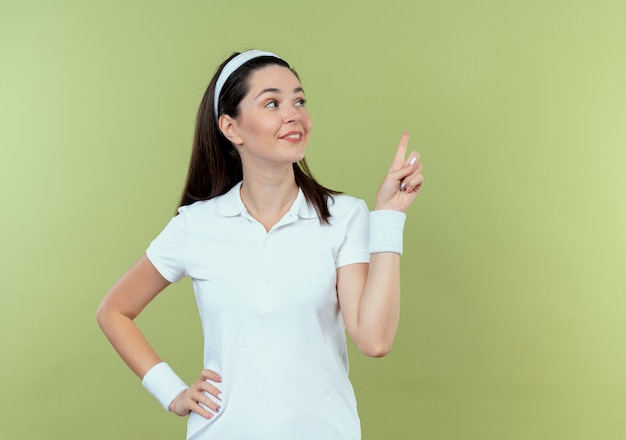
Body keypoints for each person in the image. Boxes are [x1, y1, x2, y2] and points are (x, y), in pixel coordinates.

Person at [97, 49, 424, 439]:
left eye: (299, 100)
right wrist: (172, 392)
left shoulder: (344, 216)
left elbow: (375, 340)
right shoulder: (196, 226)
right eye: (272, 102)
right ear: (231, 128)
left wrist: (388, 217)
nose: (294, 114)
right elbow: (114, 310)